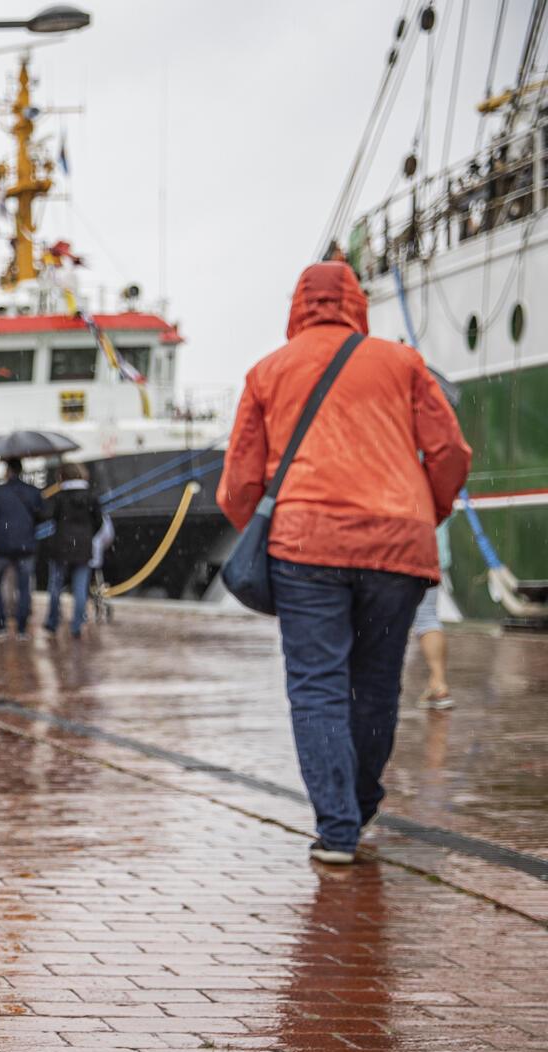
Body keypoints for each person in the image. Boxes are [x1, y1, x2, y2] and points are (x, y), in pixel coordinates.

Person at [218, 261, 470, 866]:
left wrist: (265, 529)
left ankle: (337, 828)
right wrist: (420, 513)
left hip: (306, 549)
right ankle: (360, 803)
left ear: (296, 306)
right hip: (397, 547)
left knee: (317, 686)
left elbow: (239, 482)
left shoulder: (268, 372)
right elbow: (449, 451)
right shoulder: (402, 362)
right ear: (357, 303)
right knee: (378, 683)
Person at [0, 459, 44, 639]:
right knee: (24, 587)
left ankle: (1, 625)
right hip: (26, 545)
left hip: (1, 546)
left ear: (7, 471)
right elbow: (42, 515)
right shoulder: (33, 492)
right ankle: (22, 628)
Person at [42, 461, 102, 638]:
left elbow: (51, 518)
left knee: (55, 586)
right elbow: (98, 522)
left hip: (61, 546)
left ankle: (53, 622)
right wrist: (88, 536)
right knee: (80, 588)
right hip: (83, 548)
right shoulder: (91, 497)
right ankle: (77, 625)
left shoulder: (59, 498)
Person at [415, 520, 455, 709]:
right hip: (434, 551)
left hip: (405, 549)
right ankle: (438, 683)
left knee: (422, 618)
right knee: (428, 617)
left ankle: (438, 684)